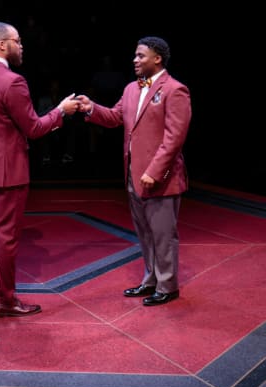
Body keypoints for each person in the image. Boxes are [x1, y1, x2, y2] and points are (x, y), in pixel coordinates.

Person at [0, 21, 79, 317]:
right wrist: (61, 111)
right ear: (2, 45)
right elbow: (35, 129)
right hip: (8, 171)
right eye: (18, 41)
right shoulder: (13, 82)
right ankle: (7, 300)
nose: (21, 46)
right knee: (6, 236)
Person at [77, 36, 192, 306]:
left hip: (160, 177)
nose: (135, 60)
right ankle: (151, 279)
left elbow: (174, 138)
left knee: (163, 233)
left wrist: (154, 171)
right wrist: (91, 108)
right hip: (133, 172)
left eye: (141, 55)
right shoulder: (131, 89)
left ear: (157, 58)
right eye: (135, 55)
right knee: (144, 232)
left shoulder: (175, 89)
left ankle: (168, 285)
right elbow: (116, 116)